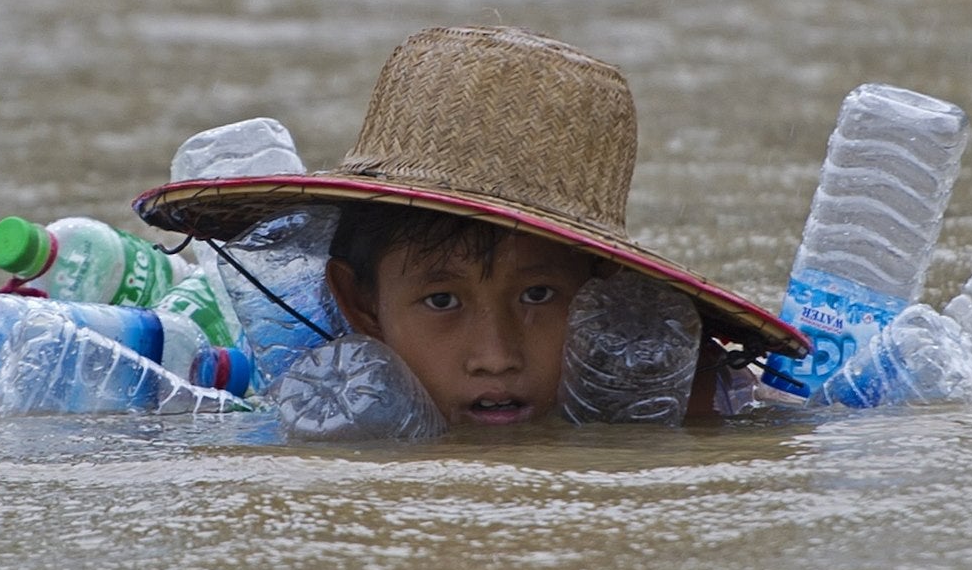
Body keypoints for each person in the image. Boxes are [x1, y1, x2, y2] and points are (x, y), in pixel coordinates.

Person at [133, 25, 808, 427]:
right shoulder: (301, 410)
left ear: (604, 293)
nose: (496, 353)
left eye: (539, 295)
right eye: (442, 300)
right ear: (360, 301)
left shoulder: (666, 401)